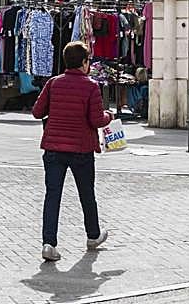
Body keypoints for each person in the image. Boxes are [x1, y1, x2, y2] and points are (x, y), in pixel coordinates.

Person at [32, 41, 112, 261]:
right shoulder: (91, 86)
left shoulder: (53, 83)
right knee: (86, 193)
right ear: (84, 62)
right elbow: (96, 120)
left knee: (52, 195)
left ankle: (49, 244)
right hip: (81, 148)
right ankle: (93, 235)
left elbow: (37, 112)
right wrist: (109, 116)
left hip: (54, 147)